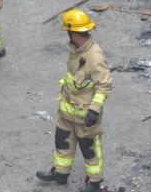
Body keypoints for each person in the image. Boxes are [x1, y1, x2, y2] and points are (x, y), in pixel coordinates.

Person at [36, 10, 113, 192]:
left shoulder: (94, 57)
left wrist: (94, 110)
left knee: (89, 148)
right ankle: (60, 173)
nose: (67, 36)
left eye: (68, 32)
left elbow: (105, 86)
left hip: (85, 114)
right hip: (68, 110)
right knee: (63, 141)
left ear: (74, 33)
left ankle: (94, 182)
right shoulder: (77, 50)